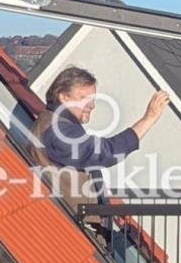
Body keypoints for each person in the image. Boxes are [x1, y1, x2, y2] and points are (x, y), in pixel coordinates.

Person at [30, 65, 169, 233]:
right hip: (73, 224)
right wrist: (148, 119)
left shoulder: (56, 125)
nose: (92, 105)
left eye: (93, 99)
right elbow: (104, 152)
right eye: (85, 98)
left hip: (72, 220)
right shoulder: (57, 131)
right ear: (64, 97)